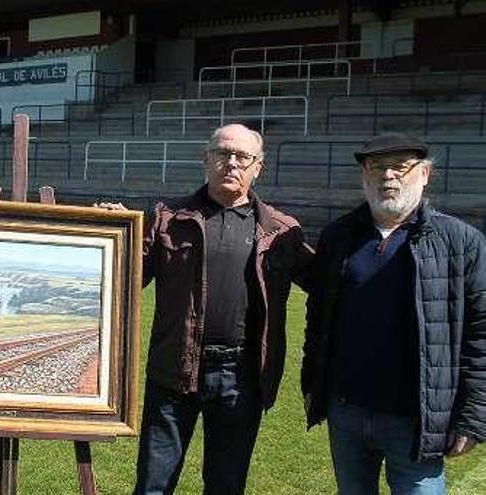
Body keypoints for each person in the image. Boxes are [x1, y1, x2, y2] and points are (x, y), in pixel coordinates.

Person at [101, 123, 313, 494]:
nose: (231, 162)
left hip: (241, 377)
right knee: (153, 483)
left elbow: (329, 284)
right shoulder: (169, 220)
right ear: (206, 159)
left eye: (242, 156)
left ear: (257, 167)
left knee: (226, 485)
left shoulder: (282, 232)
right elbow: (126, 275)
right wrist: (112, 232)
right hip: (173, 371)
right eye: (222, 153)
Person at [301, 132, 485, 494]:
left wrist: (473, 416)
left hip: (416, 419)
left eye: (400, 167)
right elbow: (317, 318)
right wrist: (312, 382)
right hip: (347, 413)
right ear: (363, 176)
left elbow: (481, 333)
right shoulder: (338, 237)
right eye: (377, 167)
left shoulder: (460, 241)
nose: (388, 176)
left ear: (425, 174)